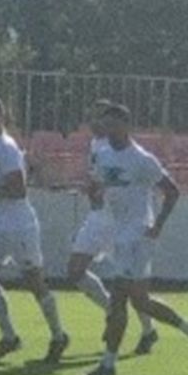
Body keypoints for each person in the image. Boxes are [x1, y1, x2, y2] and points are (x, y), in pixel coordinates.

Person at [75, 103, 188, 375]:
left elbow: (172, 191)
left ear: (126, 126)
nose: (109, 129)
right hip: (119, 233)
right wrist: (94, 194)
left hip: (137, 235)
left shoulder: (142, 159)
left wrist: (157, 225)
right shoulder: (103, 154)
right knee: (140, 301)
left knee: (118, 298)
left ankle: (107, 366)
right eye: (106, 124)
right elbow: (100, 188)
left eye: (114, 124)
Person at [0, 96, 69, 365]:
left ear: (1, 118)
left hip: (19, 224)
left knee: (34, 281)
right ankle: (9, 336)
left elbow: (18, 190)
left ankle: (58, 334)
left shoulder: (7, 148)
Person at [65, 99, 158, 353]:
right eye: (94, 117)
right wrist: (92, 193)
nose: (97, 122)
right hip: (98, 217)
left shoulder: (123, 149)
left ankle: (148, 330)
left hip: (121, 221)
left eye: (102, 118)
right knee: (75, 270)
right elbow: (98, 181)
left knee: (132, 285)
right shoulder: (97, 145)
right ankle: (112, 312)